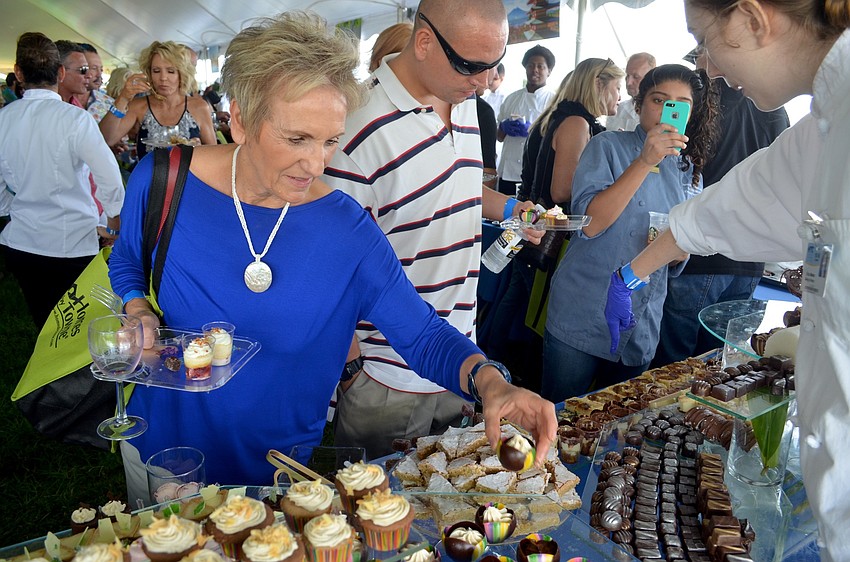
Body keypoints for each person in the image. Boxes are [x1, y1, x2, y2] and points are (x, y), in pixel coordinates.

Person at [109, 11, 556, 503]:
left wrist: (491, 383)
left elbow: (423, 333)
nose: (316, 163)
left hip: (276, 471)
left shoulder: (345, 228)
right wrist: (137, 306)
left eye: (329, 140)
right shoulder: (162, 180)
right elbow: (128, 259)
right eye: (296, 138)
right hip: (163, 455)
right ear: (239, 118)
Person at [603, 2, 850, 559]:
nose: (707, 65)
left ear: (752, 19)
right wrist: (633, 272)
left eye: (703, 38)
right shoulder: (822, 129)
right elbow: (730, 206)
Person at [323, 0, 544, 460]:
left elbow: (455, 180)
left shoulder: (463, 101)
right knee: (377, 518)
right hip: (387, 375)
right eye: (472, 66)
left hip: (463, 354)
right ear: (424, 42)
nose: (484, 82)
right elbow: (332, 268)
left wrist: (509, 208)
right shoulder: (355, 128)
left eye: (495, 66)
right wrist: (352, 370)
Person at [541, 64, 718, 403]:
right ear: (638, 105)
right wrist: (643, 161)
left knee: (617, 429)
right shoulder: (606, 146)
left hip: (641, 323)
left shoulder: (689, 171)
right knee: (560, 417)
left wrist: (678, 248)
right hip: (583, 309)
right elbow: (591, 223)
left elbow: (683, 249)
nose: (668, 111)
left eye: (681, 104)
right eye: (658, 100)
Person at [483, 58, 625, 392]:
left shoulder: (556, 114)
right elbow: (563, 189)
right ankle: (508, 374)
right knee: (532, 309)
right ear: (599, 85)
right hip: (544, 230)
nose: (619, 96)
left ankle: (494, 366)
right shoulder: (577, 122)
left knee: (515, 299)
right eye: (616, 87)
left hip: (531, 222)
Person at [651, 49, 790, 367]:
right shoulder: (771, 104)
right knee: (724, 366)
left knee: (673, 367)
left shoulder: (697, 100)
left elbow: (667, 163)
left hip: (697, 251)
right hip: (750, 256)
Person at [0, 32, 123, 327]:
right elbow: (109, 177)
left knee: (44, 325)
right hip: (73, 242)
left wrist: (6, 211)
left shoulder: (4, 118)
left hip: (22, 241)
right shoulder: (75, 119)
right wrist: (113, 223)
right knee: (80, 327)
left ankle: (48, 369)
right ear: (60, 72)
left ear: (18, 72)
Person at [98, 40, 215, 158]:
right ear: (149, 73)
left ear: (182, 74)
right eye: (156, 71)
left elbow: (213, 154)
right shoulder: (139, 106)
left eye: (171, 71)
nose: (163, 78)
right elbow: (106, 139)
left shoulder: (199, 107)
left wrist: (200, 151)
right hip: (147, 176)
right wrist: (123, 97)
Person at [496, 45, 555, 196]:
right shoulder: (512, 98)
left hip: (535, 173)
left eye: (540, 66)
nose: (535, 70)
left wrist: (533, 131)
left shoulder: (554, 101)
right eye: (530, 65)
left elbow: (556, 140)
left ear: (549, 71)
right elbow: (499, 137)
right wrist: (503, 127)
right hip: (507, 172)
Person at [604, 52, 655, 132]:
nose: (629, 82)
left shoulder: (661, 112)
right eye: (627, 76)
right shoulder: (618, 110)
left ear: (651, 78)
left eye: (636, 77)